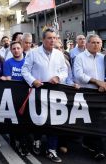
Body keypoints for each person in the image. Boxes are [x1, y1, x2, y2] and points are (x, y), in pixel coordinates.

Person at [21, 28, 68, 163]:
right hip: (38, 91)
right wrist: (33, 81)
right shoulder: (33, 53)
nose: (52, 40)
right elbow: (25, 70)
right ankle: (37, 140)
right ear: (43, 40)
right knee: (39, 119)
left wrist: (59, 77)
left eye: (54, 38)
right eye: (49, 38)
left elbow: (65, 71)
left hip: (54, 92)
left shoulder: (59, 54)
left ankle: (51, 150)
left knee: (54, 120)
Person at [73, 34, 105, 161]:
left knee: (97, 120)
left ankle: (88, 142)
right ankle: (99, 149)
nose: (96, 45)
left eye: (98, 42)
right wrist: (97, 82)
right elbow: (79, 76)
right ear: (86, 44)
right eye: (93, 42)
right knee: (92, 120)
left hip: (101, 94)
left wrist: (103, 84)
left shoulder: (103, 58)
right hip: (86, 93)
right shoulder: (79, 57)